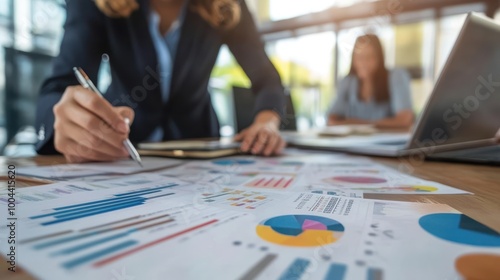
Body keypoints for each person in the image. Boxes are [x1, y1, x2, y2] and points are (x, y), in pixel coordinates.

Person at [35, 0, 286, 163]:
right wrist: (65, 121)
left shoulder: (228, 7)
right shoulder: (94, 4)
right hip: (118, 149)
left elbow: (268, 80)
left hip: (199, 154)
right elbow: (60, 85)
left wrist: (267, 122)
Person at [327, 34, 414, 130]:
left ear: (379, 58)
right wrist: (378, 124)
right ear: (353, 59)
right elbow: (331, 120)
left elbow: (405, 121)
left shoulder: (396, 77)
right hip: (353, 143)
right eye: (359, 57)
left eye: (369, 56)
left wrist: (354, 123)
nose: (363, 62)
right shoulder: (347, 82)